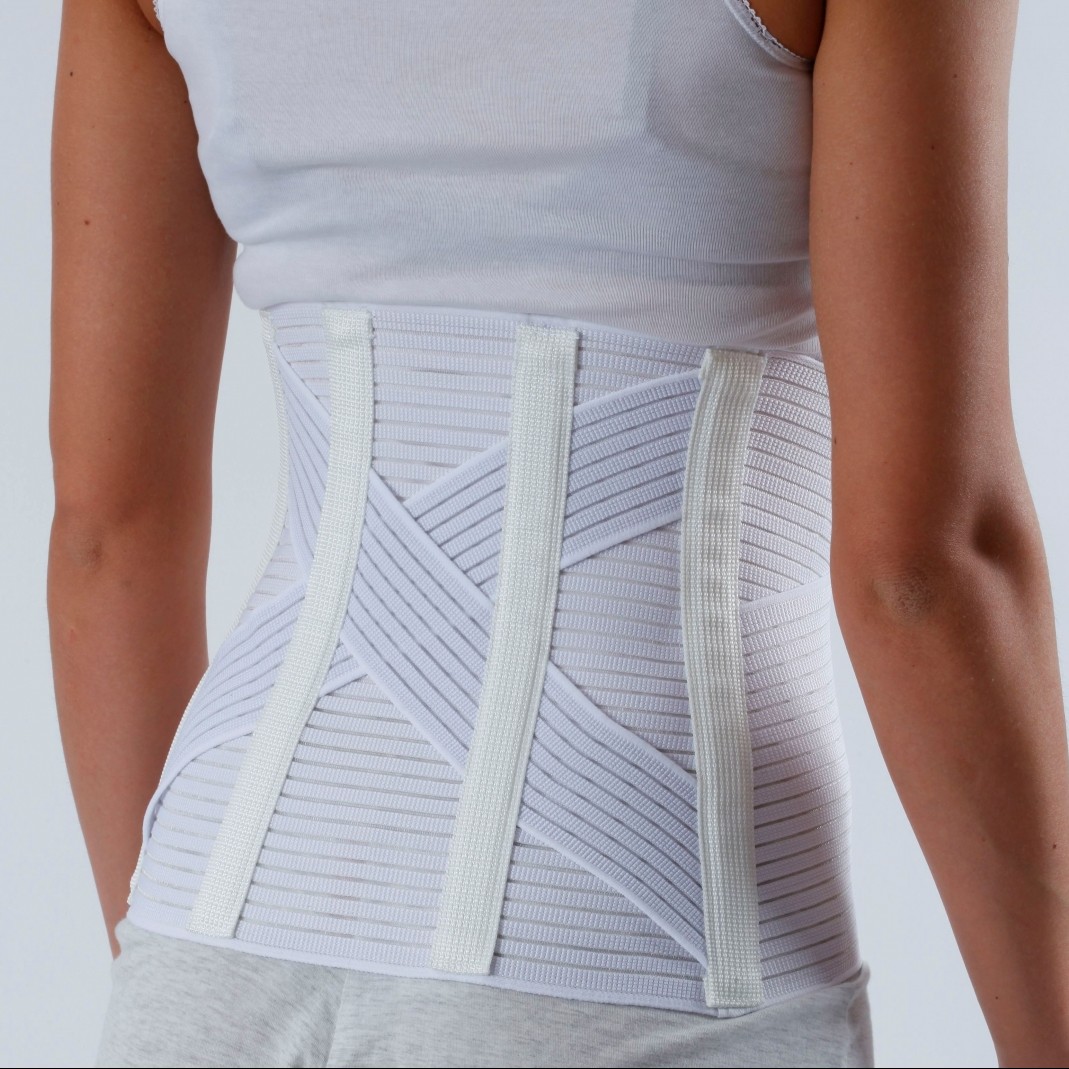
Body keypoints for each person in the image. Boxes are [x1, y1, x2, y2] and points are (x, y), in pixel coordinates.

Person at [46, 1, 1067, 1066]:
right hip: (648, 965)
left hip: (207, 943)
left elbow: (105, 539)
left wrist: (173, 959)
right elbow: (925, 570)